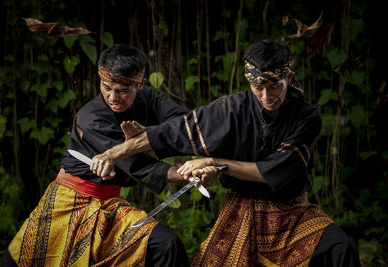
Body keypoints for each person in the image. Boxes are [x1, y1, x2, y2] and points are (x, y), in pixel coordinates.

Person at [90, 40, 361, 266]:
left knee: (341, 249)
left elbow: (273, 171)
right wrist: (112, 153)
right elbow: (170, 133)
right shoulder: (232, 109)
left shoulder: (306, 117)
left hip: (292, 212)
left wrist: (215, 162)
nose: (266, 96)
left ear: (288, 78)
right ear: (248, 81)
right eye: (258, 87)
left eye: (274, 86)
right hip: (242, 210)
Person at [0, 44, 194, 267]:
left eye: (122, 90)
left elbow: (184, 122)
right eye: (106, 87)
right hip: (69, 203)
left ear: (140, 85)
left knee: (165, 245)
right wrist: (186, 174)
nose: (113, 97)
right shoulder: (91, 118)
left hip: (108, 204)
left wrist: (149, 135)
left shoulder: (149, 97)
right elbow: (136, 165)